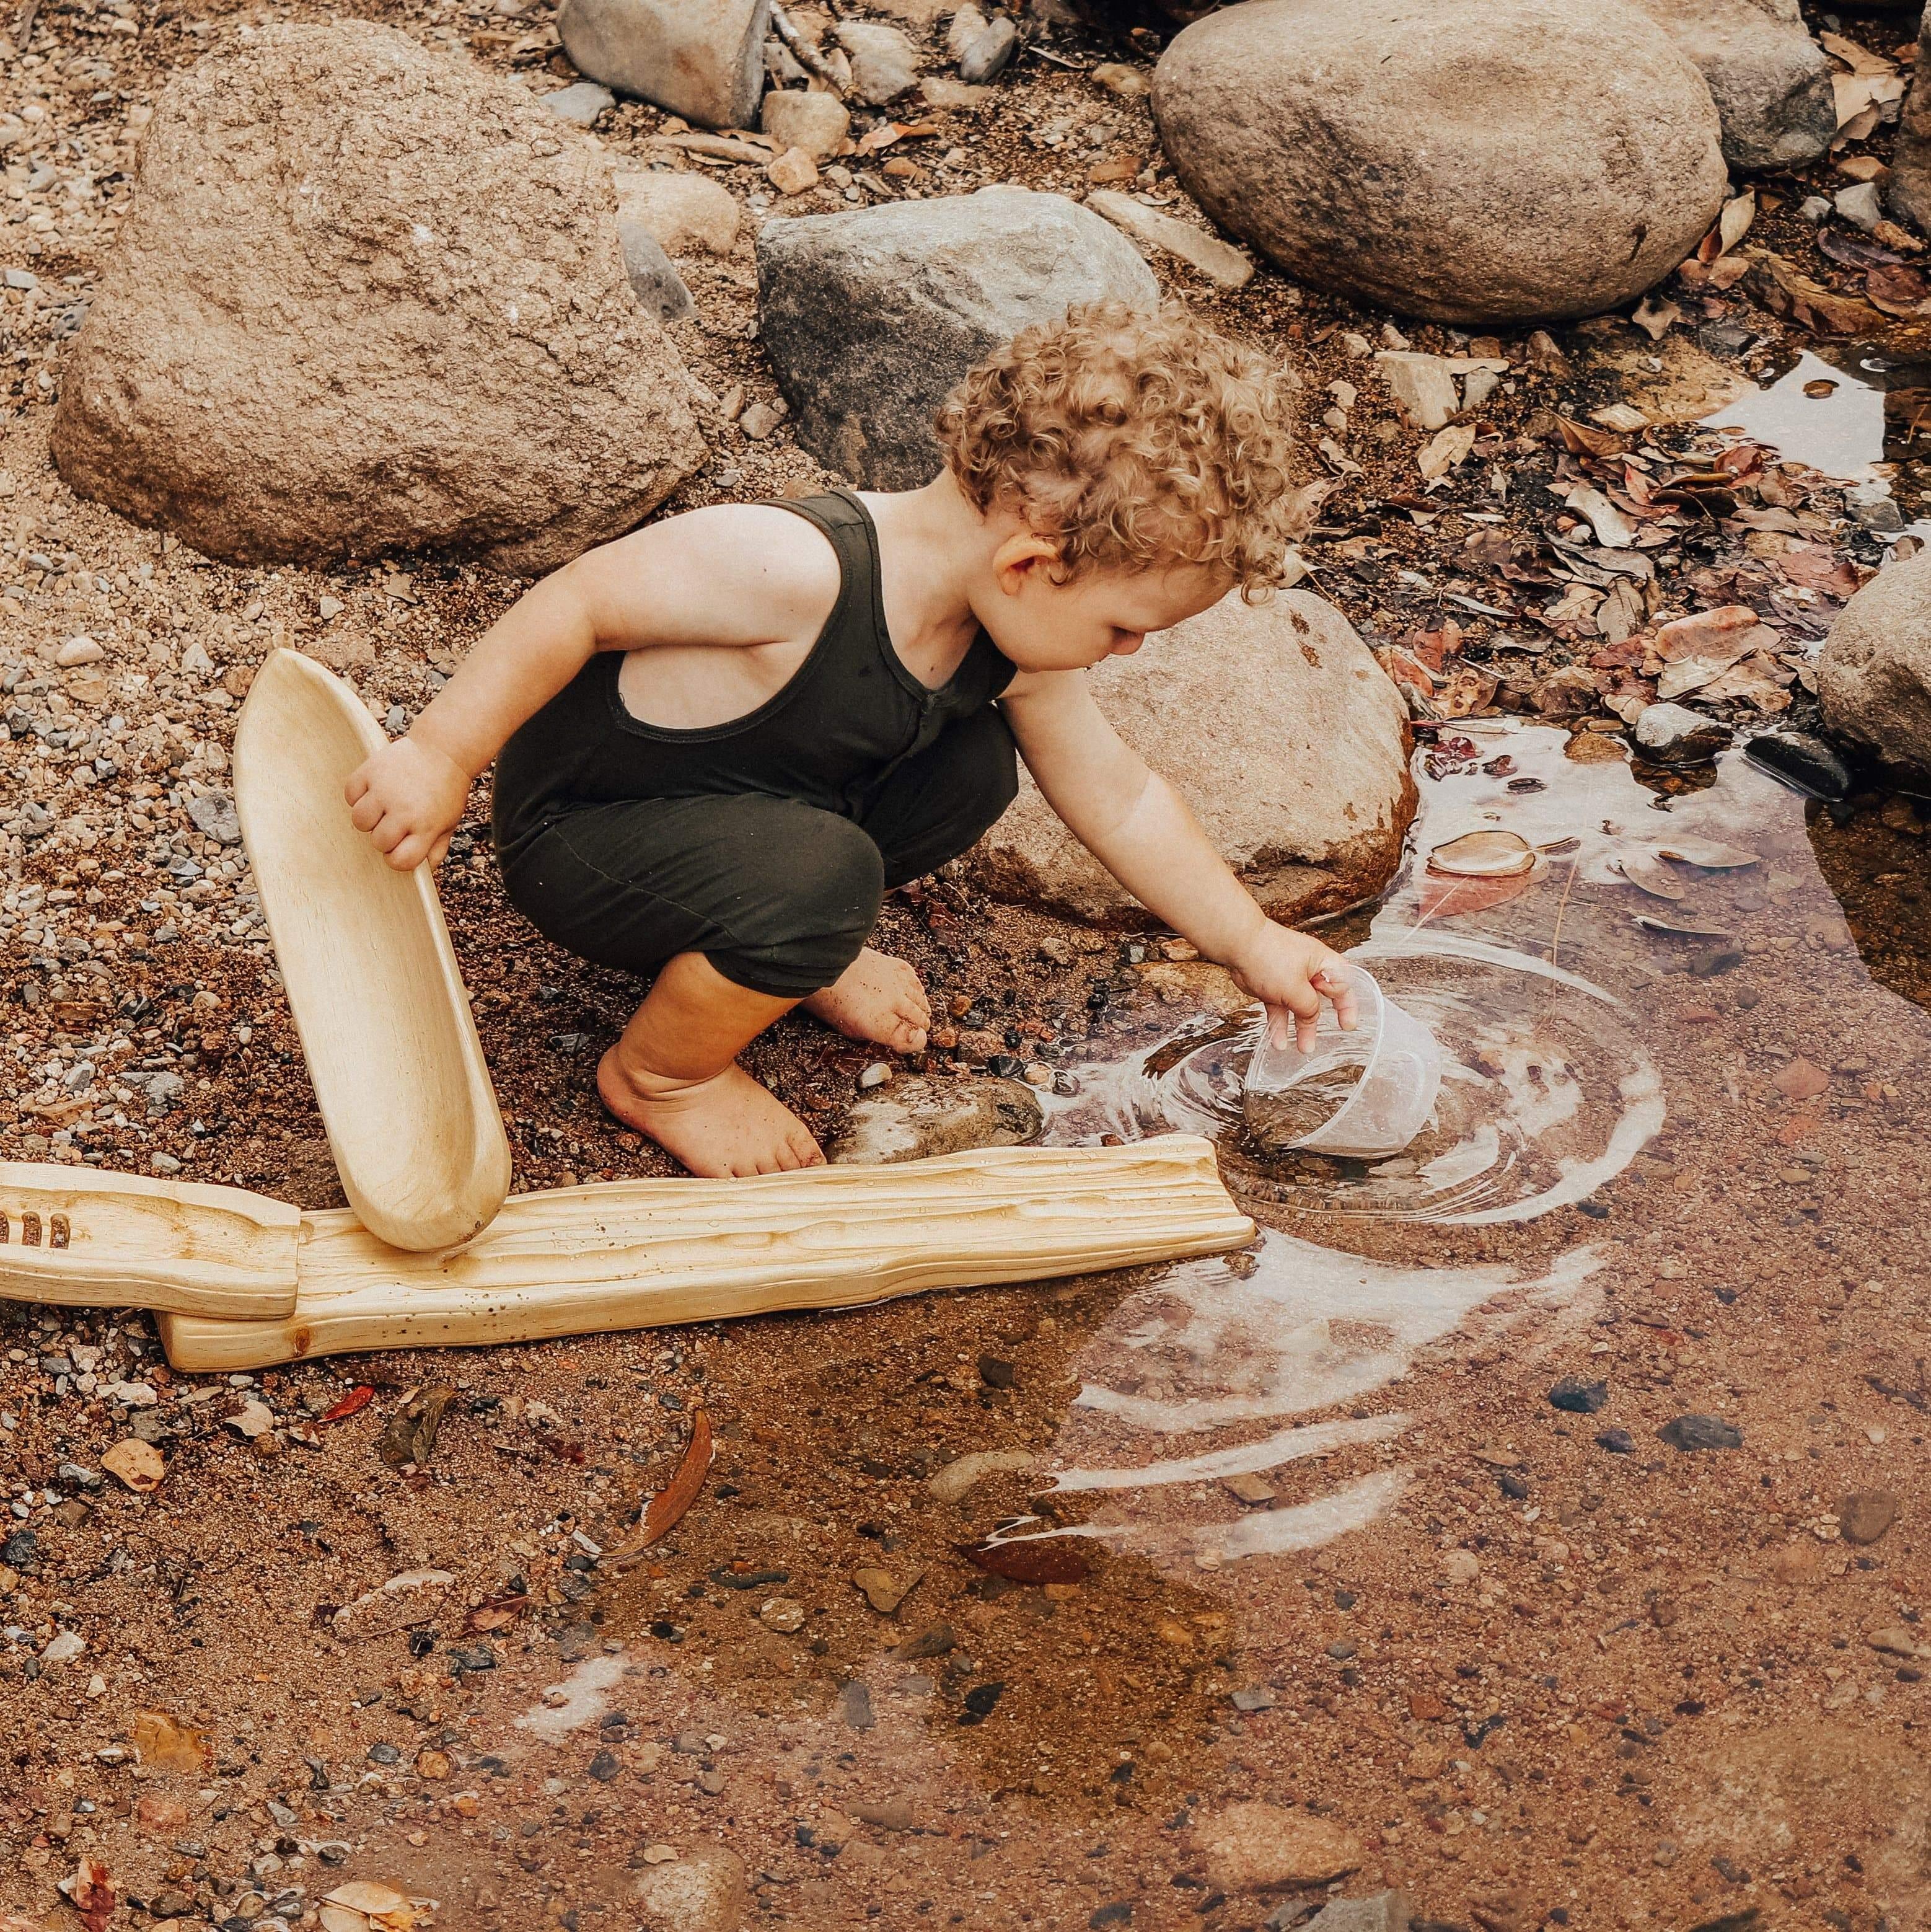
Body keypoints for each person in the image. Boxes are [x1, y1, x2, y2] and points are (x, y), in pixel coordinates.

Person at [343, 300, 1357, 1178]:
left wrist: (1252, 940)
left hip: (757, 823)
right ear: (1028, 562)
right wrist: (438, 755)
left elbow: (1121, 796)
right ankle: (661, 1073)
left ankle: (793, 951)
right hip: (588, 834)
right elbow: (576, 603)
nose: (1130, 651)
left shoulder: (1016, 640)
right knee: (827, 877)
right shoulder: (793, 568)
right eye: (1123, 625)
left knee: (971, 772)